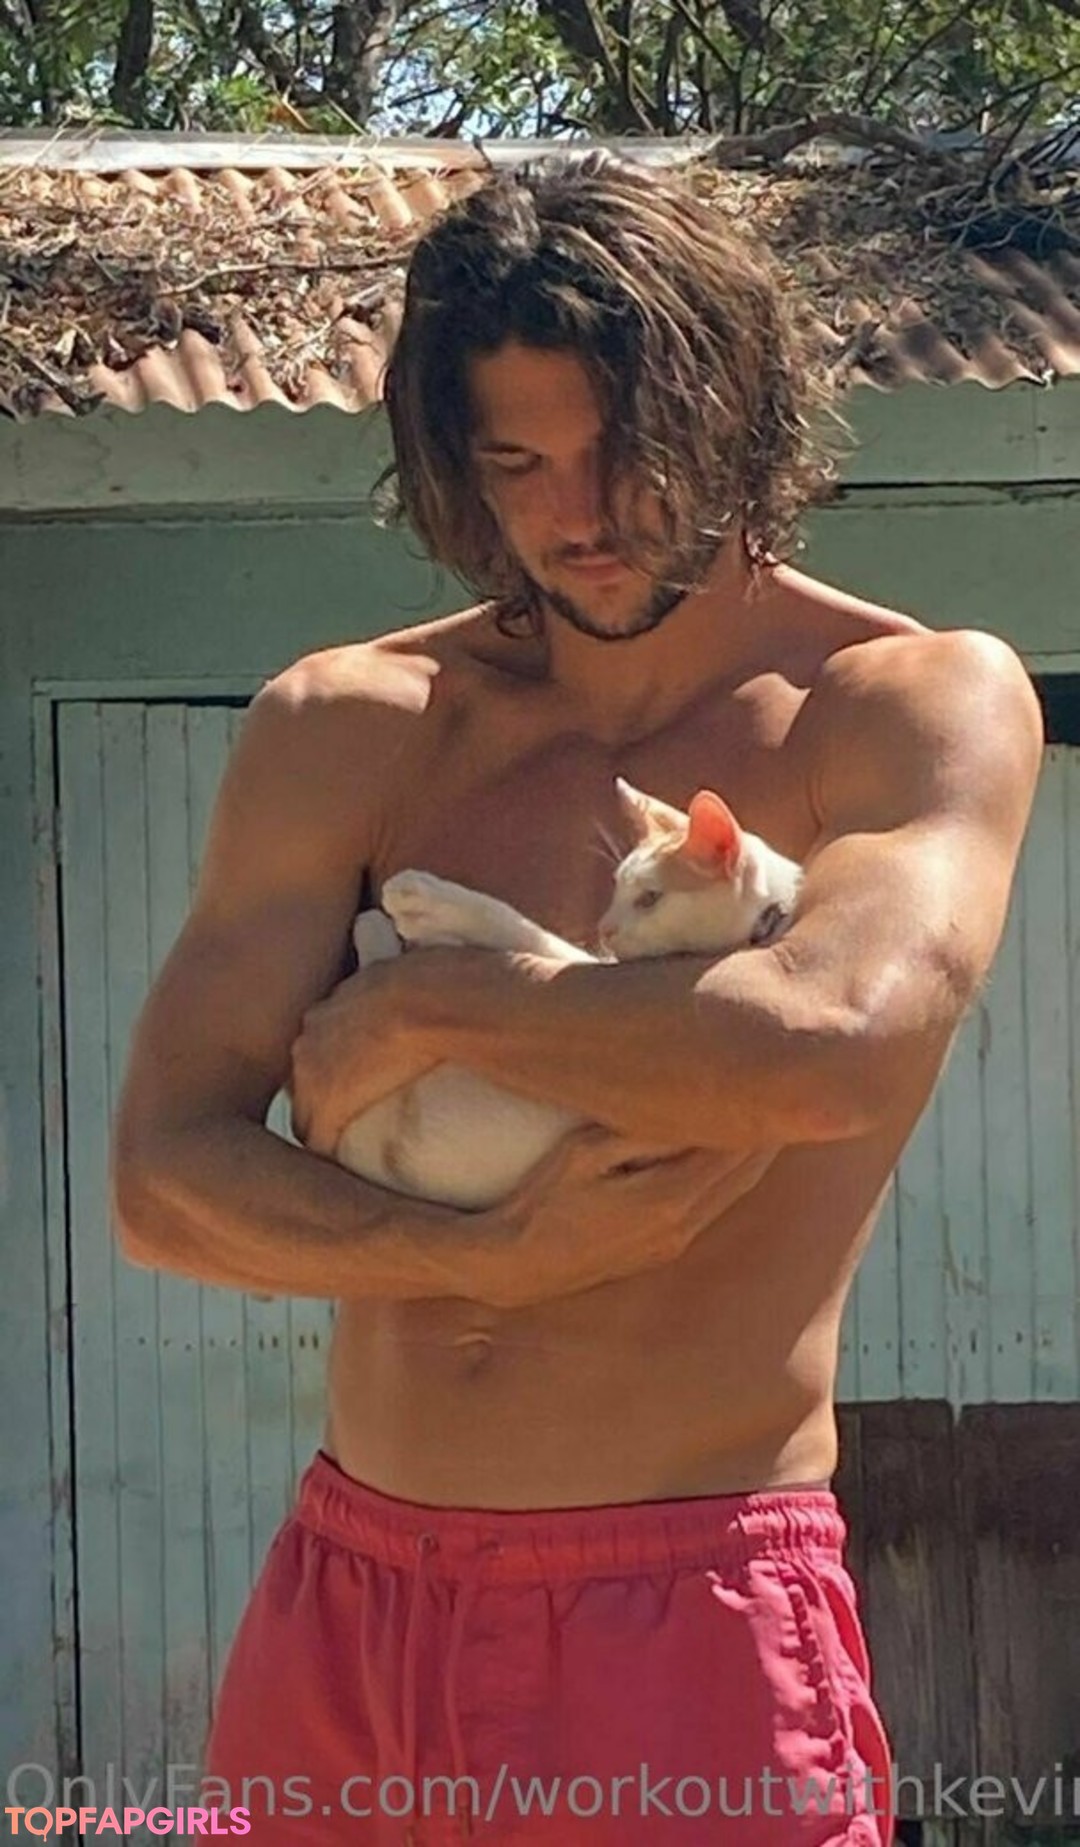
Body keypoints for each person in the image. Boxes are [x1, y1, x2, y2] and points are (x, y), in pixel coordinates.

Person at [111, 152, 1042, 1847]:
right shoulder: (353, 725)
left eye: (623, 448)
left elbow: (827, 1046)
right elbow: (165, 1181)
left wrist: (433, 1008)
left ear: (738, 414)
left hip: (679, 1599)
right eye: (517, 463)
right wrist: (482, 1258)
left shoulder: (900, 704)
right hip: (350, 1594)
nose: (579, 513)